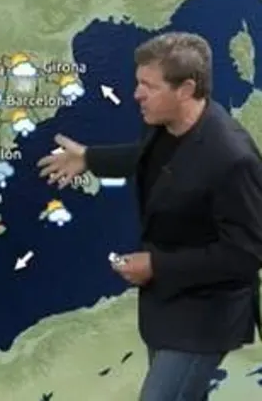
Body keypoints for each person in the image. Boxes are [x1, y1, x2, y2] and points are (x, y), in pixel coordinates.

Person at [36, 32, 262, 400]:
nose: (136, 94)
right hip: (168, 305)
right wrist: (90, 158)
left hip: (206, 316)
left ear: (185, 89)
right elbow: (150, 159)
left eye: (148, 86)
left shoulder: (232, 160)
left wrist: (157, 266)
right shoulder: (166, 126)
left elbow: (245, 254)